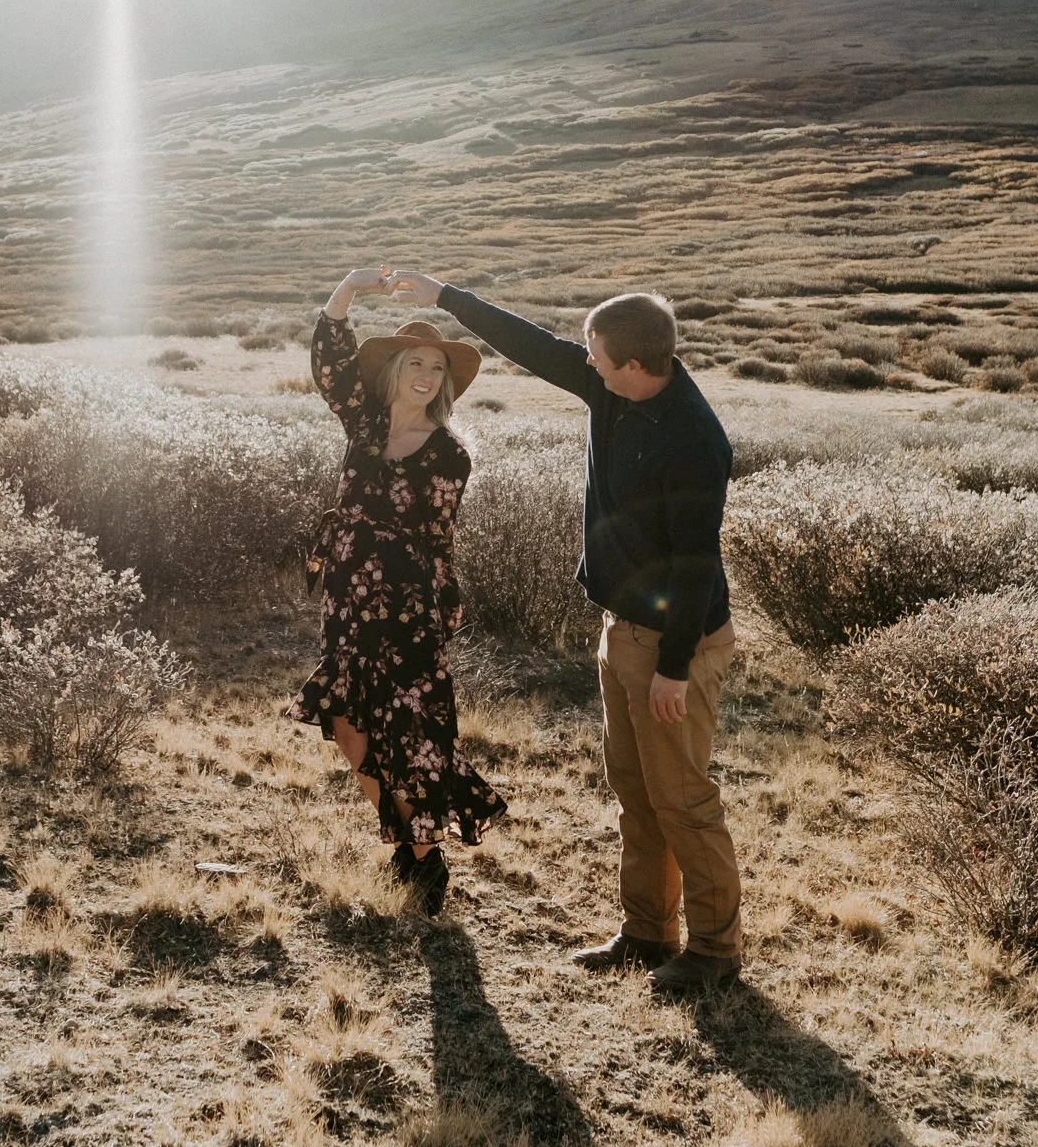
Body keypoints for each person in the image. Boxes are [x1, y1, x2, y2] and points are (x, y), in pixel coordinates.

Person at [386, 269, 744, 995]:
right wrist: (445, 296)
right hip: (623, 630)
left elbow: (696, 564)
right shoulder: (610, 389)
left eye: (598, 356)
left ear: (635, 364)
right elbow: (532, 345)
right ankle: (647, 932)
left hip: (675, 643)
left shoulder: (693, 438)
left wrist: (674, 667)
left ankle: (715, 950)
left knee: (682, 800)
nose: (586, 363)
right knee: (636, 792)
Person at [287, 266, 506, 911]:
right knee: (345, 719)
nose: (427, 375)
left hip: (406, 603)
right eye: (416, 363)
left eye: (437, 368)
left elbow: (437, 541)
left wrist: (441, 608)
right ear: (394, 369)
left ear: (446, 383)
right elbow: (329, 363)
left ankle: (420, 859)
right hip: (346, 592)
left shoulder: (449, 454)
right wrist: (348, 290)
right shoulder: (363, 419)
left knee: (411, 730)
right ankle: (412, 842)